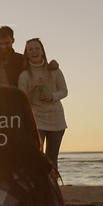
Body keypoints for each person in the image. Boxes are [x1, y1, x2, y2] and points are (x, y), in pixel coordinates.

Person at [0, 26, 58, 156]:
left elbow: (38, 65)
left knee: (12, 150)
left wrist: (52, 63)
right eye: (0, 43)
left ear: (13, 40)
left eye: (6, 43)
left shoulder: (20, 59)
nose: (3, 47)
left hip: (14, 110)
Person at [18, 38, 68, 168]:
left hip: (56, 120)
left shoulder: (54, 70)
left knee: (52, 158)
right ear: (27, 53)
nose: (34, 51)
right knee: (36, 157)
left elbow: (64, 91)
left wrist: (52, 96)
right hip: (36, 121)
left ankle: (52, 187)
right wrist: (32, 87)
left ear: (42, 52)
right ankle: (37, 187)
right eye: (31, 49)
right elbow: (23, 101)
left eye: (37, 48)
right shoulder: (24, 75)